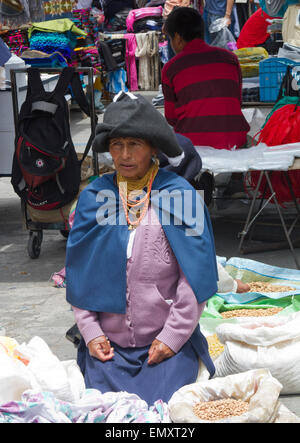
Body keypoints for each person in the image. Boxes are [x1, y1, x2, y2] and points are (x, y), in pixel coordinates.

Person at [65, 91, 219, 405]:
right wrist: (91, 333)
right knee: (106, 407)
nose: (124, 155)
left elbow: (195, 276)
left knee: (166, 407)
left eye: (134, 144)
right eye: (116, 145)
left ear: (152, 148)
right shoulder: (96, 197)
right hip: (108, 348)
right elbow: (79, 273)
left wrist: (173, 337)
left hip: (165, 346)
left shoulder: (181, 196)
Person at [161, 7, 250, 150]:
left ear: (177, 38)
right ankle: (236, 173)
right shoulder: (230, 59)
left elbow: (171, 117)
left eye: (170, 39)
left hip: (193, 144)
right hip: (234, 140)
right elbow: (236, 101)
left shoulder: (171, 68)